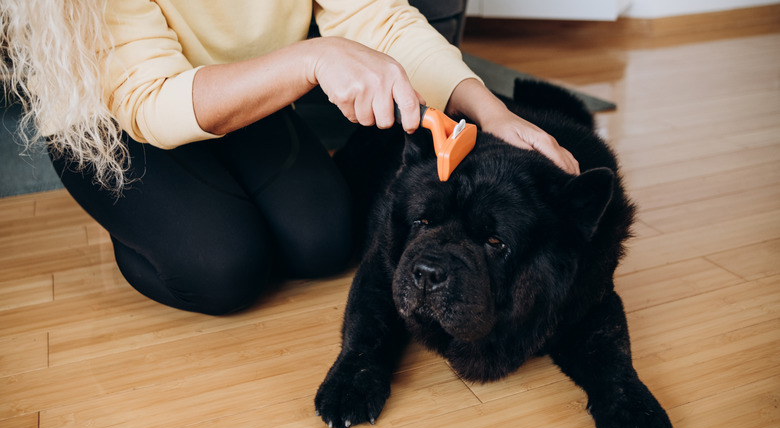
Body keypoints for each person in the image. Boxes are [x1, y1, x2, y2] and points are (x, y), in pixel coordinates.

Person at [1, 0, 579, 315]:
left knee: (326, 242)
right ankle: (139, 219)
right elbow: (151, 101)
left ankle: (217, 180)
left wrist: (490, 111)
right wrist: (313, 60)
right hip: (114, 117)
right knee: (224, 270)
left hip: (244, 96)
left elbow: (377, 15)